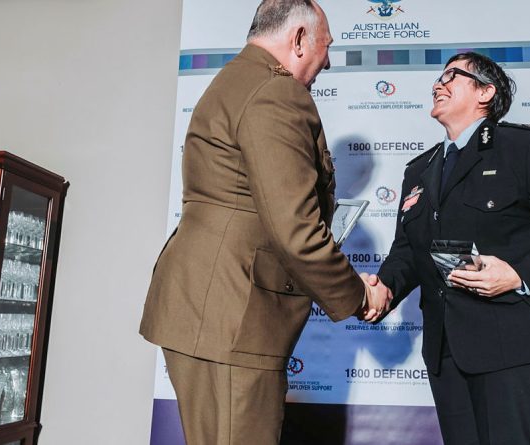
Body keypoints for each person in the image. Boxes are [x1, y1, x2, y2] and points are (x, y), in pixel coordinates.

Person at [139, 1, 391, 443]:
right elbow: (295, 230)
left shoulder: (235, 79)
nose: (328, 61)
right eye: (325, 46)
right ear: (297, 39)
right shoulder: (276, 92)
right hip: (234, 313)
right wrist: (359, 297)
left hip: (206, 306)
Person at [373, 52, 530, 444]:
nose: (438, 84)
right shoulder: (420, 169)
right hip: (447, 353)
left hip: (518, 347)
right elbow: (409, 253)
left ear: (485, 92)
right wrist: (384, 289)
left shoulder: (521, 147)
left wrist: (519, 275)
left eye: (452, 76)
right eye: (438, 77)